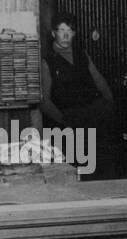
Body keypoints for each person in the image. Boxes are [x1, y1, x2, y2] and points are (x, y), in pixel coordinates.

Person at [40, 12, 122, 180]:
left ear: (74, 33)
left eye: (69, 30)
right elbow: (44, 101)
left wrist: (110, 106)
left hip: (92, 118)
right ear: (53, 33)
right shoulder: (47, 61)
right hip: (67, 123)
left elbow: (100, 82)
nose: (65, 34)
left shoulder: (82, 55)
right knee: (75, 172)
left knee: (101, 168)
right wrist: (64, 121)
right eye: (61, 30)